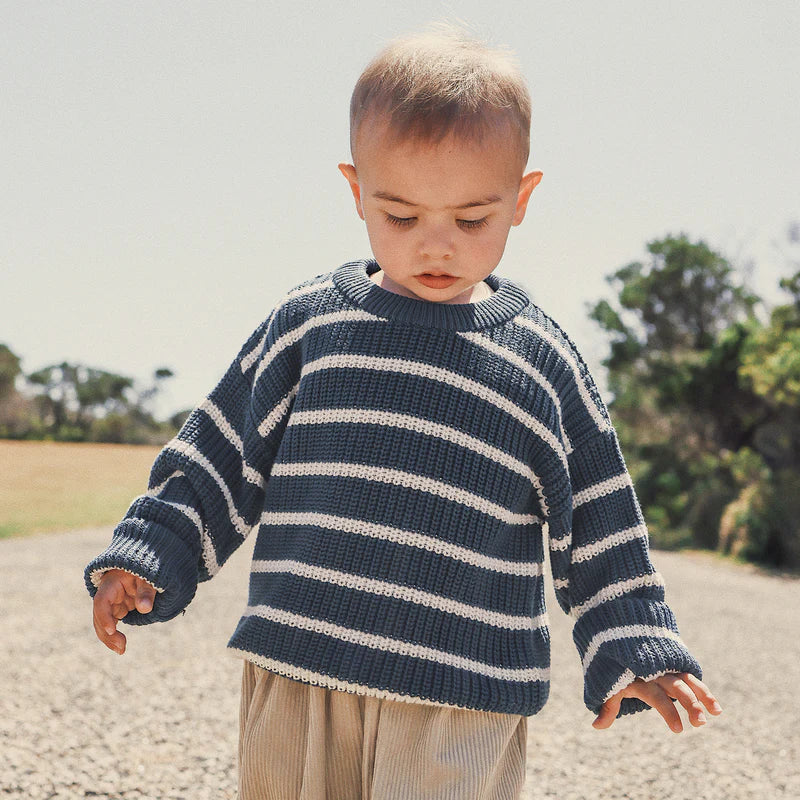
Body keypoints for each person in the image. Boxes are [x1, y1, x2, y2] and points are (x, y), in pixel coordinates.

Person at [86, 23, 721, 800]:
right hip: (301, 672)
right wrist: (150, 550)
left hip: (460, 703)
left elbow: (601, 522)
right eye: (401, 216)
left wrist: (636, 644)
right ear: (357, 191)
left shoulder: (543, 365)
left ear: (521, 200)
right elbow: (219, 453)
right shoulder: (312, 327)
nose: (436, 246)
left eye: (471, 219)